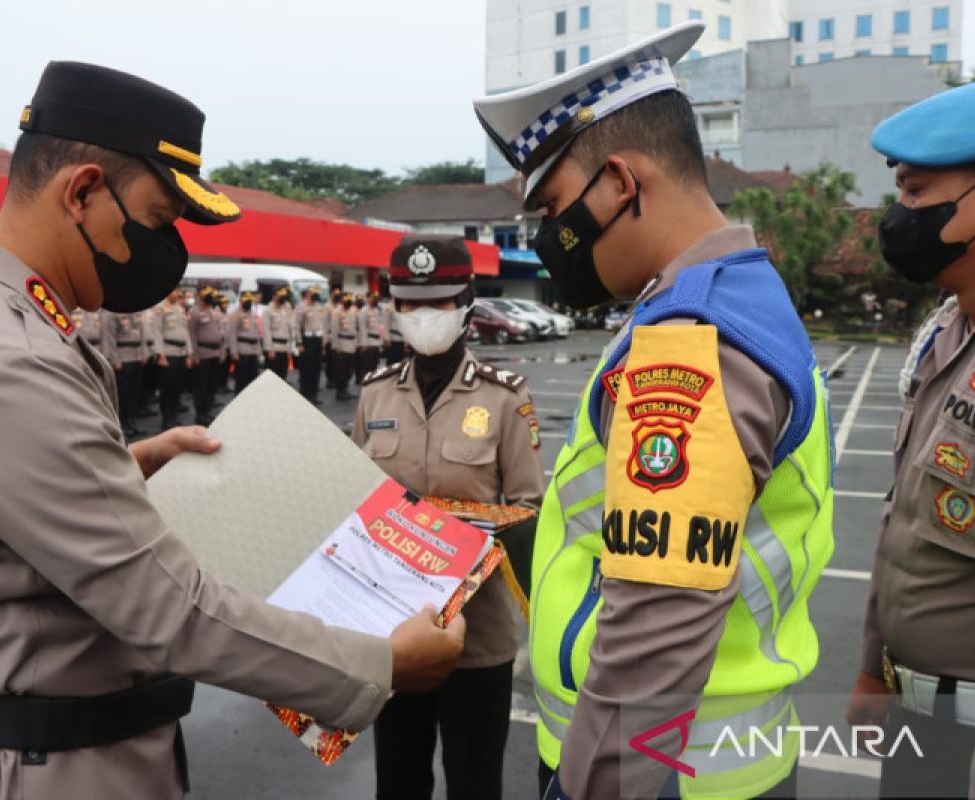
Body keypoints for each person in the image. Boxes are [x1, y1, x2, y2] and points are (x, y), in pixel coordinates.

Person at [0, 60, 465, 800]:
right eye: (157, 220)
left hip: (49, 753)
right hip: (47, 772)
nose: (164, 250)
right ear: (84, 191)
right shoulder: (10, 362)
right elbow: (169, 606)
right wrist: (380, 662)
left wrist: (121, 466)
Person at [473, 21, 834, 798]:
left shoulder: (689, 340)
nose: (546, 239)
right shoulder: (728, 297)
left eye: (555, 209)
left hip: (665, 774)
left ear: (620, 183)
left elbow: (653, 642)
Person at [844, 79, 975, 799]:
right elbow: (908, 518)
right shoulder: (951, 330)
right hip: (925, 722)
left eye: (916, 193)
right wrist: (874, 665)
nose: (898, 217)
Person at [354, 234, 545, 800]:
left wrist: (450, 537)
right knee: (399, 780)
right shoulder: (375, 396)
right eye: (409, 304)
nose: (422, 317)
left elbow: (527, 510)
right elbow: (356, 502)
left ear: (466, 303)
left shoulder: (506, 399)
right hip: (394, 633)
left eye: (436, 303)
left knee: (474, 782)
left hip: (477, 638)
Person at [152, 287, 193, 431]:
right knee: (167, 388)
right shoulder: (160, 308)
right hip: (168, 353)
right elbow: (156, 331)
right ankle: (166, 419)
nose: (176, 294)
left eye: (177, 291)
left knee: (177, 388)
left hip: (181, 353)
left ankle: (174, 418)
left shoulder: (180, 309)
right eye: (173, 291)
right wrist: (160, 354)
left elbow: (185, 331)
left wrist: (189, 353)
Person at [107, 309, 149, 438]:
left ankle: (132, 423)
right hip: (123, 358)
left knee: (134, 394)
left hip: (136, 356)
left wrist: (144, 353)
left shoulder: (136, 312)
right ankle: (121, 426)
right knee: (122, 396)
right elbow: (110, 336)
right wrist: (115, 359)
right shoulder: (114, 312)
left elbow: (141, 335)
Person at [187, 285, 226, 425]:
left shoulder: (214, 312)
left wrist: (222, 351)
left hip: (215, 354)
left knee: (211, 385)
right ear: (200, 295)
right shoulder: (194, 312)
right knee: (201, 386)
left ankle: (207, 411)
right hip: (202, 354)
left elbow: (221, 334)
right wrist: (194, 355)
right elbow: (191, 335)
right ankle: (200, 413)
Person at [294, 284, 328, 404]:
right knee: (306, 369)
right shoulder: (300, 307)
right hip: (306, 341)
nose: (317, 295)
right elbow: (296, 326)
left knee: (316, 369)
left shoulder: (319, 307)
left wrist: (324, 340)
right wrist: (299, 343)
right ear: (308, 293)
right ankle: (305, 394)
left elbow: (323, 325)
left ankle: (313, 395)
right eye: (314, 292)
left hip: (318, 340)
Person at [227, 290, 263, 396]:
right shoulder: (235, 314)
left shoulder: (254, 313)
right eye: (246, 301)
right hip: (242, 350)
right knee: (241, 378)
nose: (248, 303)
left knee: (252, 378)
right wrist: (234, 352)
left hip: (253, 350)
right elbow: (232, 334)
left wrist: (258, 351)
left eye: (250, 301)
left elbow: (257, 333)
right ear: (241, 301)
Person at [330, 292, 359, 400]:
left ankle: (345, 389)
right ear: (342, 301)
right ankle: (340, 391)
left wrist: (356, 343)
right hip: (341, 344)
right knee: (341, 370)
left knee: (349, 370)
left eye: (349, 300)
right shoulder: (337, 312)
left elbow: (355, 329)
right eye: (346, 300)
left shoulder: (353, 312)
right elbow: (334, 330)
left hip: (351, 345)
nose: (348, 302)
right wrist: (335, 346)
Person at [263, 286, 294, 379]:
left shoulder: (286, 309)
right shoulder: (268, 310)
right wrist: (269, 349)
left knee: (282, 376)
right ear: (273, 296)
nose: (282, 298)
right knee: (272, 377)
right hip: (274, 348)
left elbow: (289, 330)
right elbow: (266, 331)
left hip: (284, 348)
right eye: (280, 296)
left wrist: (289, 349)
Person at [356, 290, 385, 381]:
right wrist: (363, 344)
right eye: (372, 297)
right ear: (368, 298)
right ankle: (365, 380)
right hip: (368, 341)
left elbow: (381, 326)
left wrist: (381, 341)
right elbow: (362, 328)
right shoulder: (363, 311)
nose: (374, 299)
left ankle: (372, 380)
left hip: (376, 341)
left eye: (375, 298)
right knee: (367, 364)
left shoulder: (378, 310)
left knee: (375, 364)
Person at [324, 286, 343, 388]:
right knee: (330, 360)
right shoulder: (327, 307)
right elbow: (325, 324)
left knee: (338, 360)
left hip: (339, 337)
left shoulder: (340, 307)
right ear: (331, 296)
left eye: (338, 295)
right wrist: (325, 338)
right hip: (330, 336)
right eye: (335, 295)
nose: (337, 297)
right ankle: (330, 379)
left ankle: (336, 378)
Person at [382, 293, 407, 365]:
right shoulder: (388, 307)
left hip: (401, 339)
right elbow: (385, 324)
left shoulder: (402, 307)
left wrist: (406, 339)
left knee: (400, 362)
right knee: (392, 362)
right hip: (392, 339)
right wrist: (387, 339)